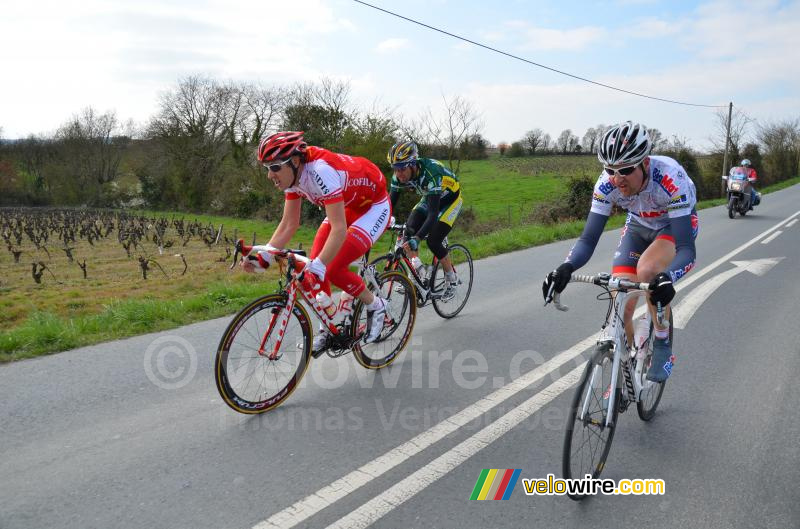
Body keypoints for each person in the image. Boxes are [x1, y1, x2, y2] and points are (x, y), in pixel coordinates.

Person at [543, 122, 698, 382]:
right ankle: (625, 378)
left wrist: (668, 277)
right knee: (620, 301)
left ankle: (661, 343)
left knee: (649, 271)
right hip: (638, 224)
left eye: (625, 170)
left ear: (645, 163)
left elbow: (686, 250)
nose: (617, 178)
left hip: (673, 224)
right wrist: (566, 267)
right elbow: (588, 239)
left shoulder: (671, 178)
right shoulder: (606, 185)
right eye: (610, 170)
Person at [243, 131, 391, 352]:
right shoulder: (292, 176)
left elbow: (339, 229)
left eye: (274, 167)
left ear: (294, 161)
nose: (270, 175)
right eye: (267, 168)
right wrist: (263, 258)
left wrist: (320, 265)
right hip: (347, 204)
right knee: (313, 268)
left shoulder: (321, 171)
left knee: (330, 268)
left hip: (373, 207)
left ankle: (376, 305)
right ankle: (327, 330)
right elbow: (289, 223)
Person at [387, 140, 463, 299]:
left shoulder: (431, 173)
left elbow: (433, 214)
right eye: (395, 169)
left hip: (450, 200)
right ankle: (417, 275)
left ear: (413, 165)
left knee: (433, 241)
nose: (399, 174)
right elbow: (388, 205)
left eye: (402, 169)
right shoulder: (398, 177)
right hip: (430, 197)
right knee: (408, 231)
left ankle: (452, 279)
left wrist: (418, 237)